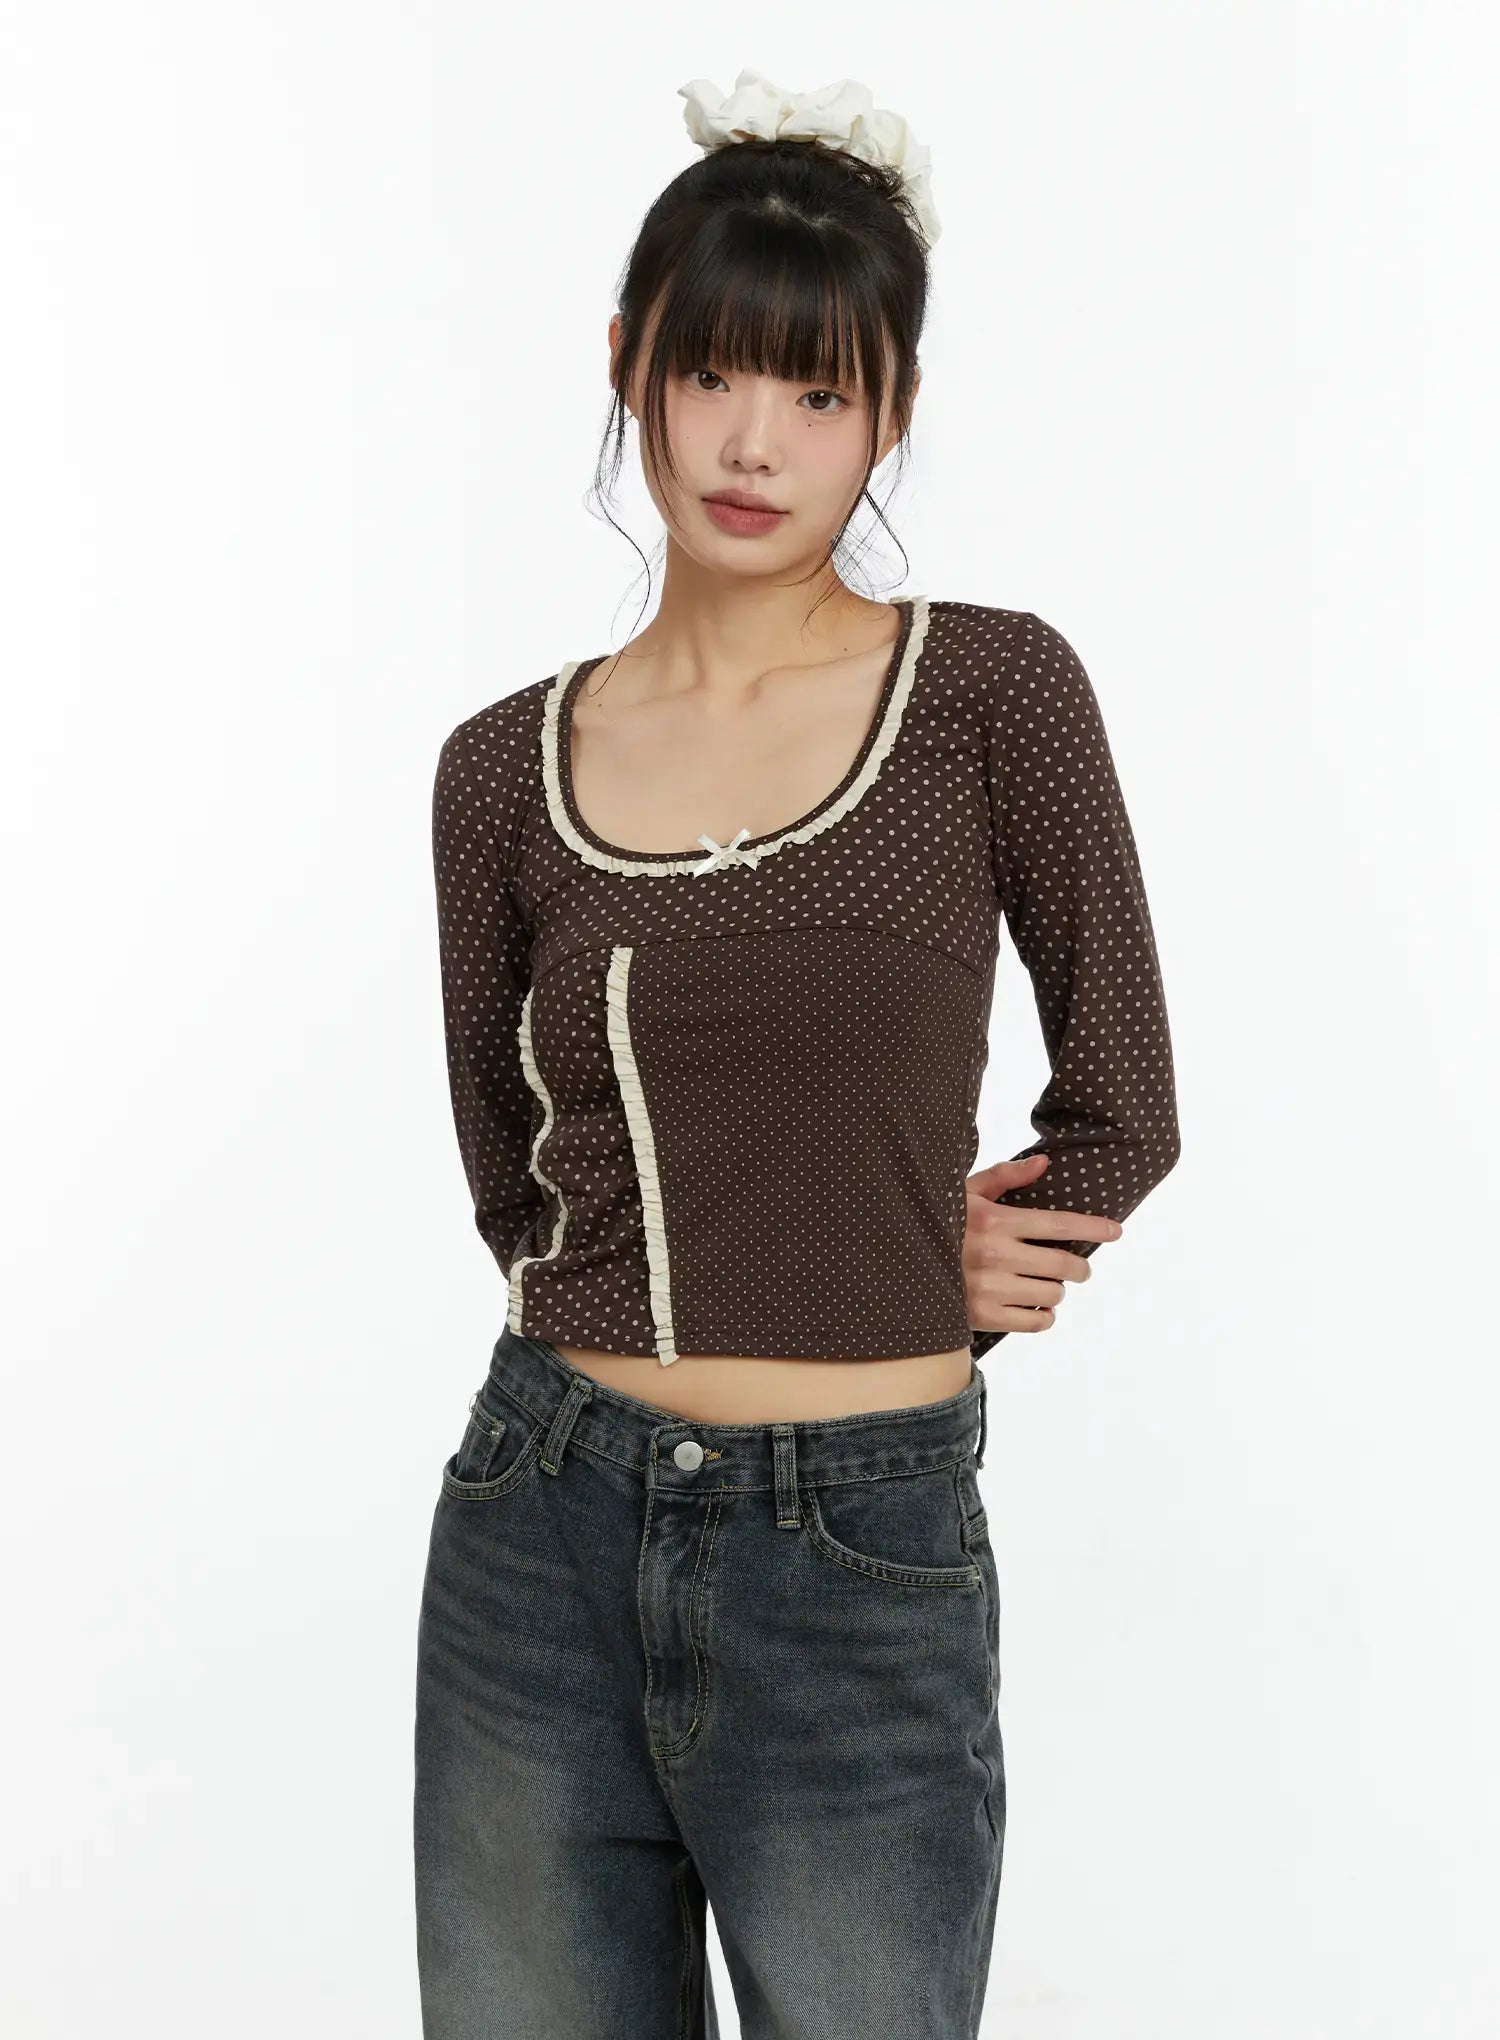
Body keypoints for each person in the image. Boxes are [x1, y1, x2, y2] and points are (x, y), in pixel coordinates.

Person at [413, 67, 1180, 2039]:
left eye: (821, 394)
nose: (757, 442)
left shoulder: (990, 694)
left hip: (859, 1547)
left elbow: (1126, 1098)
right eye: (712, 375)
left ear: (890, 415)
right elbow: (511, 1172)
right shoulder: (500, 768)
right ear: (630, 366)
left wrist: (946, 1259)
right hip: (536, 1532)